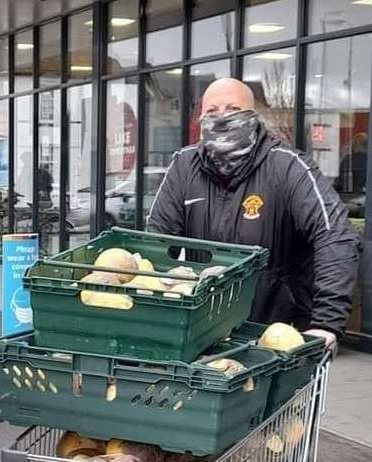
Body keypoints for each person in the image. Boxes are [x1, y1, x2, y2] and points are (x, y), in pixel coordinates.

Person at [148, 78, 360, 352]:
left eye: (233, 108)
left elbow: (335, 236)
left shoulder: (287, 167)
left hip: (276, 336)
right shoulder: (184, 167)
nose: (222, 117)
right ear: (200, 118)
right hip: (203, 332)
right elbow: (155, 243)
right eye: (212, 111)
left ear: (253, 115)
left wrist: (327, 322)